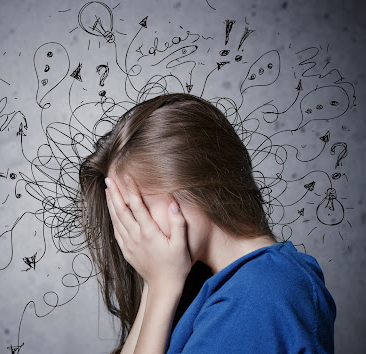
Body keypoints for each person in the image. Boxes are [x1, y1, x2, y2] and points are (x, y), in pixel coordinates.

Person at [78, 93, 336, 353]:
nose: (132, 234)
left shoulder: (257, 297)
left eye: (136, 209)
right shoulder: (241, 286)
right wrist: (155, 284)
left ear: (189, 185)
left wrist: (161, 286)